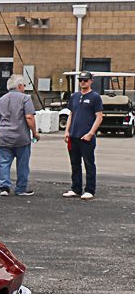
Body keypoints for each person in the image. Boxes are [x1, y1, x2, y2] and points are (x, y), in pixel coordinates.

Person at [0, 73, 38, 196]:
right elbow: (29, 117)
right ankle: (20, 189)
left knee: (4, 163)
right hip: (21, 137)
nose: (24, 87)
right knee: (23, 164)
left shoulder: (1, 100)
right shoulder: (25, 98)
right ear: (19, 86)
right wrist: (35, 133)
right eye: (24, 85)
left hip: (4, 137)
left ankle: (4, 187)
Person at [63, 71, 104, 200]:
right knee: (75, 164)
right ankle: (76, 188)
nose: (83, 82)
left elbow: (99, 117)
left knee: (89, 164)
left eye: (85, 80)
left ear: (91, 81)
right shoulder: (74, 96)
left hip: (86, 137)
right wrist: (67, 131)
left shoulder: (95, 97)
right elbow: (71, 114)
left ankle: (90, 189)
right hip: (73, 136)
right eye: (81, 80)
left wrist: (91, 133)